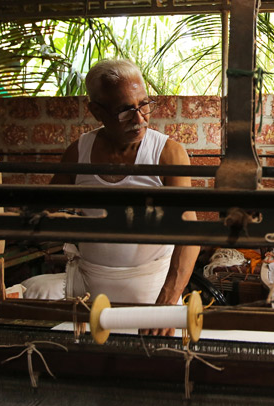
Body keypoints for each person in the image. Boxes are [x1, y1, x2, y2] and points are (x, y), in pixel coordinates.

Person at [35, 59, 198, 333]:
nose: (139, 119)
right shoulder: (79, 153)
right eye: (124, 110)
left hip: (153, 294)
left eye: (144, 104)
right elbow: (42, 210)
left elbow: (191, 233)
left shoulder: (166, 154)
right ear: (96, 111)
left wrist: (169, 298)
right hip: (90, 294)